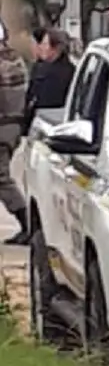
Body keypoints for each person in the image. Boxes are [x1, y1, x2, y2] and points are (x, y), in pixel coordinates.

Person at [0, 23, 30, 246]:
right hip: (12, 126)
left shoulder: (4, 65)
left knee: (1, 178)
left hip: (4, 126)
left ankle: (27, 224)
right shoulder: (14, 60)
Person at [23, 28, 75, 135]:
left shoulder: (47, 74)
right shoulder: (72, 69)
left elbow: (37, 104)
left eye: (45, 44)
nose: (41, 47)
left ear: (56, 49)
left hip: (47, 127)